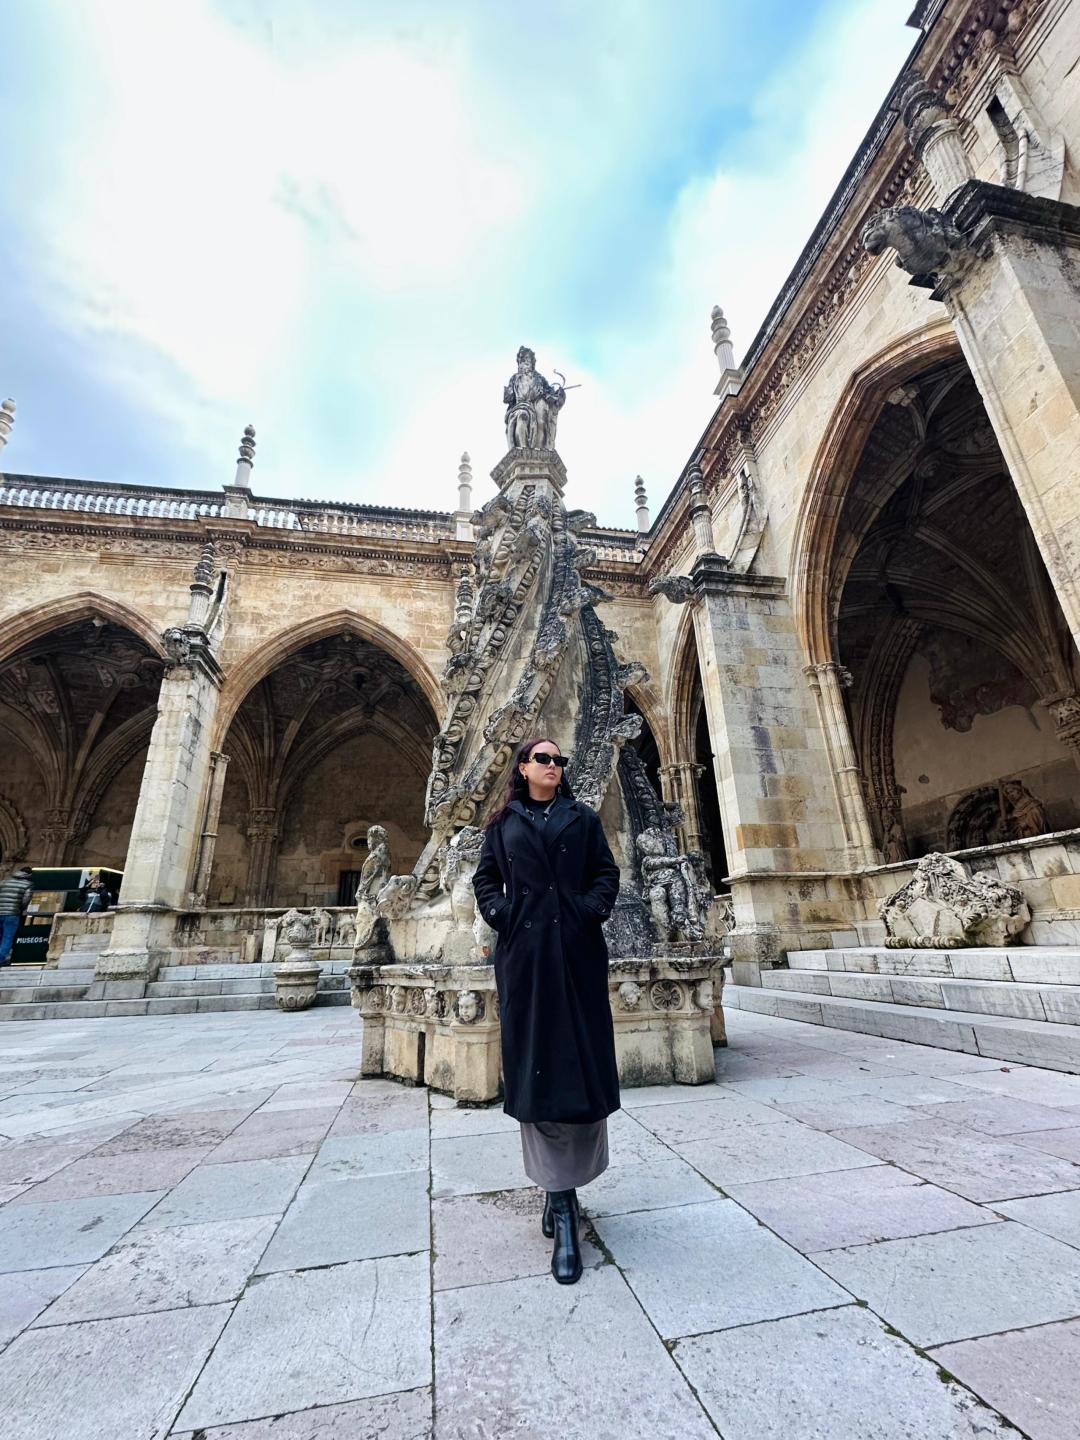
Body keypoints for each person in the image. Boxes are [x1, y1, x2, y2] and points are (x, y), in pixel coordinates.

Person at [473, 736, 620, 1285]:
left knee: (579, 1069)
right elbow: (484, 878)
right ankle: (562, 1209)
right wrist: (503, 914)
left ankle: (563, 1193)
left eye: (559, 760)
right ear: (523, 768)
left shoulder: (582, 818)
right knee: (536, 1070)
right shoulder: (503, 824)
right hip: (527, 959)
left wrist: (587, 911)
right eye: (544, 759)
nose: (554, 766)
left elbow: (606, 873)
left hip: (576, 956)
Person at [0, 865, 33, 967]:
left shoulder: (4, 882)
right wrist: (21, 909)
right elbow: (26, 900)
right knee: (7, 937)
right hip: (12, 913)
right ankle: (1, 959)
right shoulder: (28, 884)